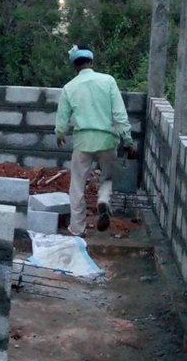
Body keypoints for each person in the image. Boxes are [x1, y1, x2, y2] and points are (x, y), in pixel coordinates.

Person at [54, 45, 134, 235]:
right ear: (91, 62)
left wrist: (60, 134)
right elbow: (119, 114)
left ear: (75, 66)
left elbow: (62, 117)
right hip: (107, 141)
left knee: (77, 186)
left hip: (83, 142)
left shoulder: (69, 87)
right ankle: (103, 200)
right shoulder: (108, 81)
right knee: (109, 177)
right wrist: (128, 140)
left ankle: (77, 228)